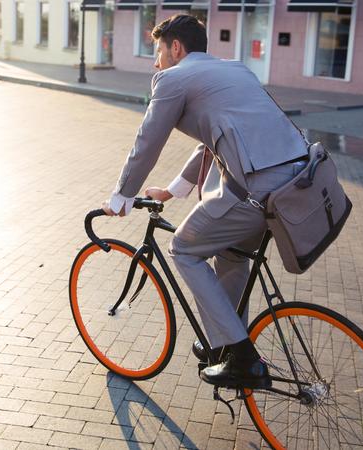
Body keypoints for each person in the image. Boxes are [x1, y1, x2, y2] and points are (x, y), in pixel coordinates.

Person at [100, 15, 308, 389]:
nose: (155, 62)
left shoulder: (174, 78)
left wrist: (122, 197)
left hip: (255, 193)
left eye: (158, 52)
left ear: (175, 47)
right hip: (292, 186)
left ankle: (242, 356)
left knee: (183, 248)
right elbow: (212, 142)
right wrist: (171, 190)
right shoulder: (234, 70)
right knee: (230, 255)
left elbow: (147, 141)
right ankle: (225, 343)